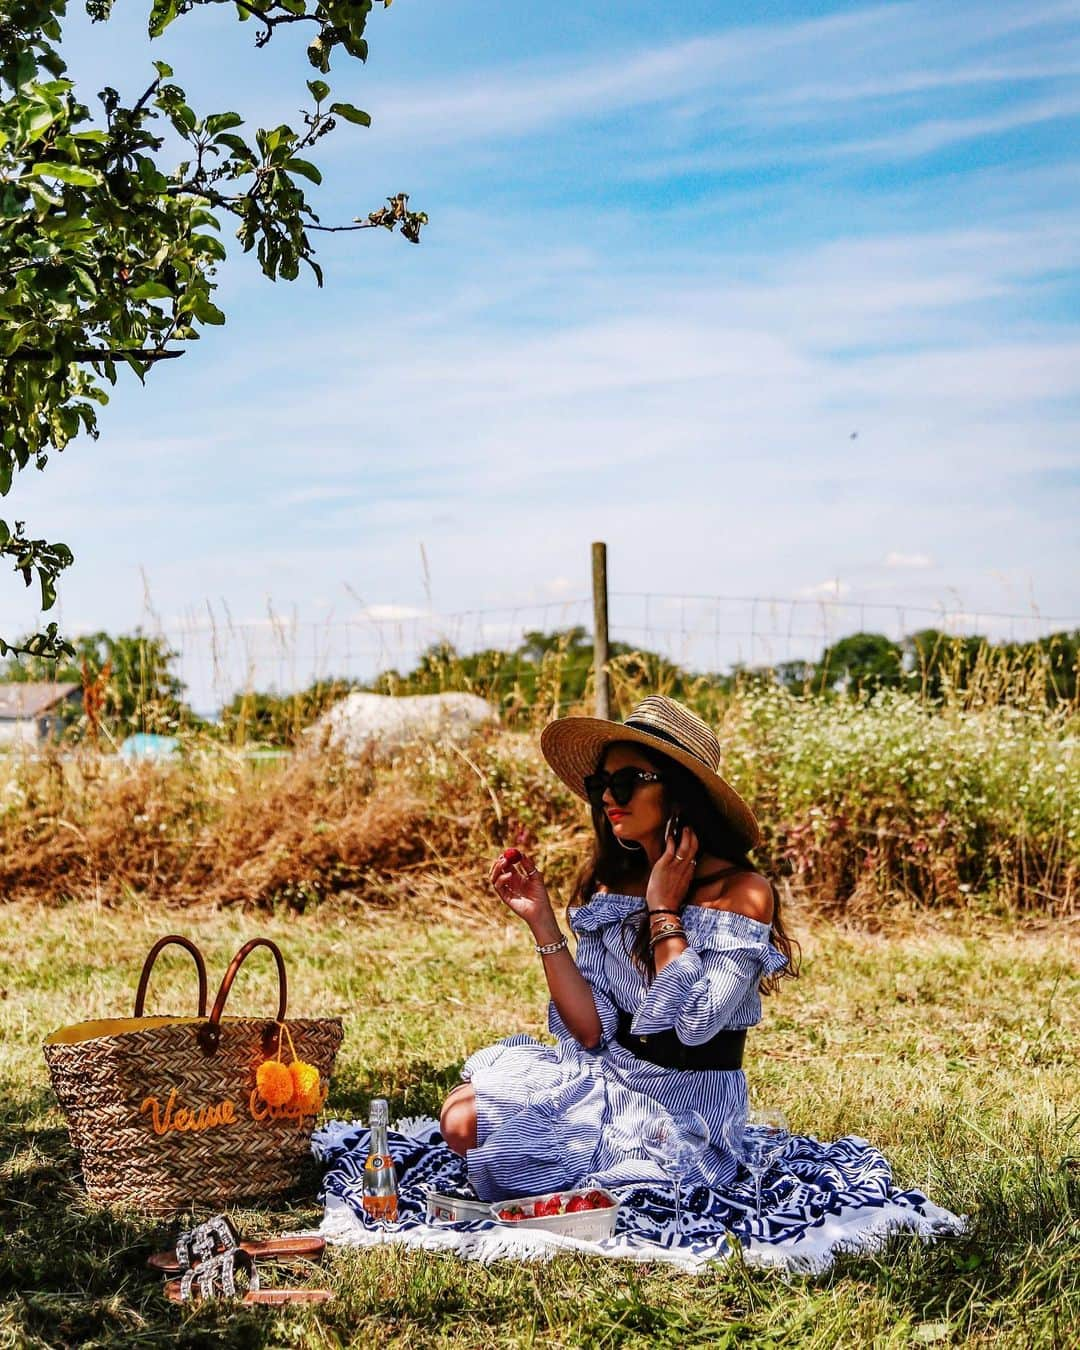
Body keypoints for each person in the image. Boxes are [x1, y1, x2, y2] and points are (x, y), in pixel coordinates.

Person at [439, 694, 799, 1202]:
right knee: (460, 1113)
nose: (609, 797)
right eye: (600, 784)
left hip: (686, 1105)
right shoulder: (613, 887)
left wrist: (663, 911)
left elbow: (695, 1024)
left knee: (475, 1126)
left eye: (627, 781)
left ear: (678, 793)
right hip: (609, 1072)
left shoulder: (741, 892)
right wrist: (541, 921)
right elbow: (588, 1030)